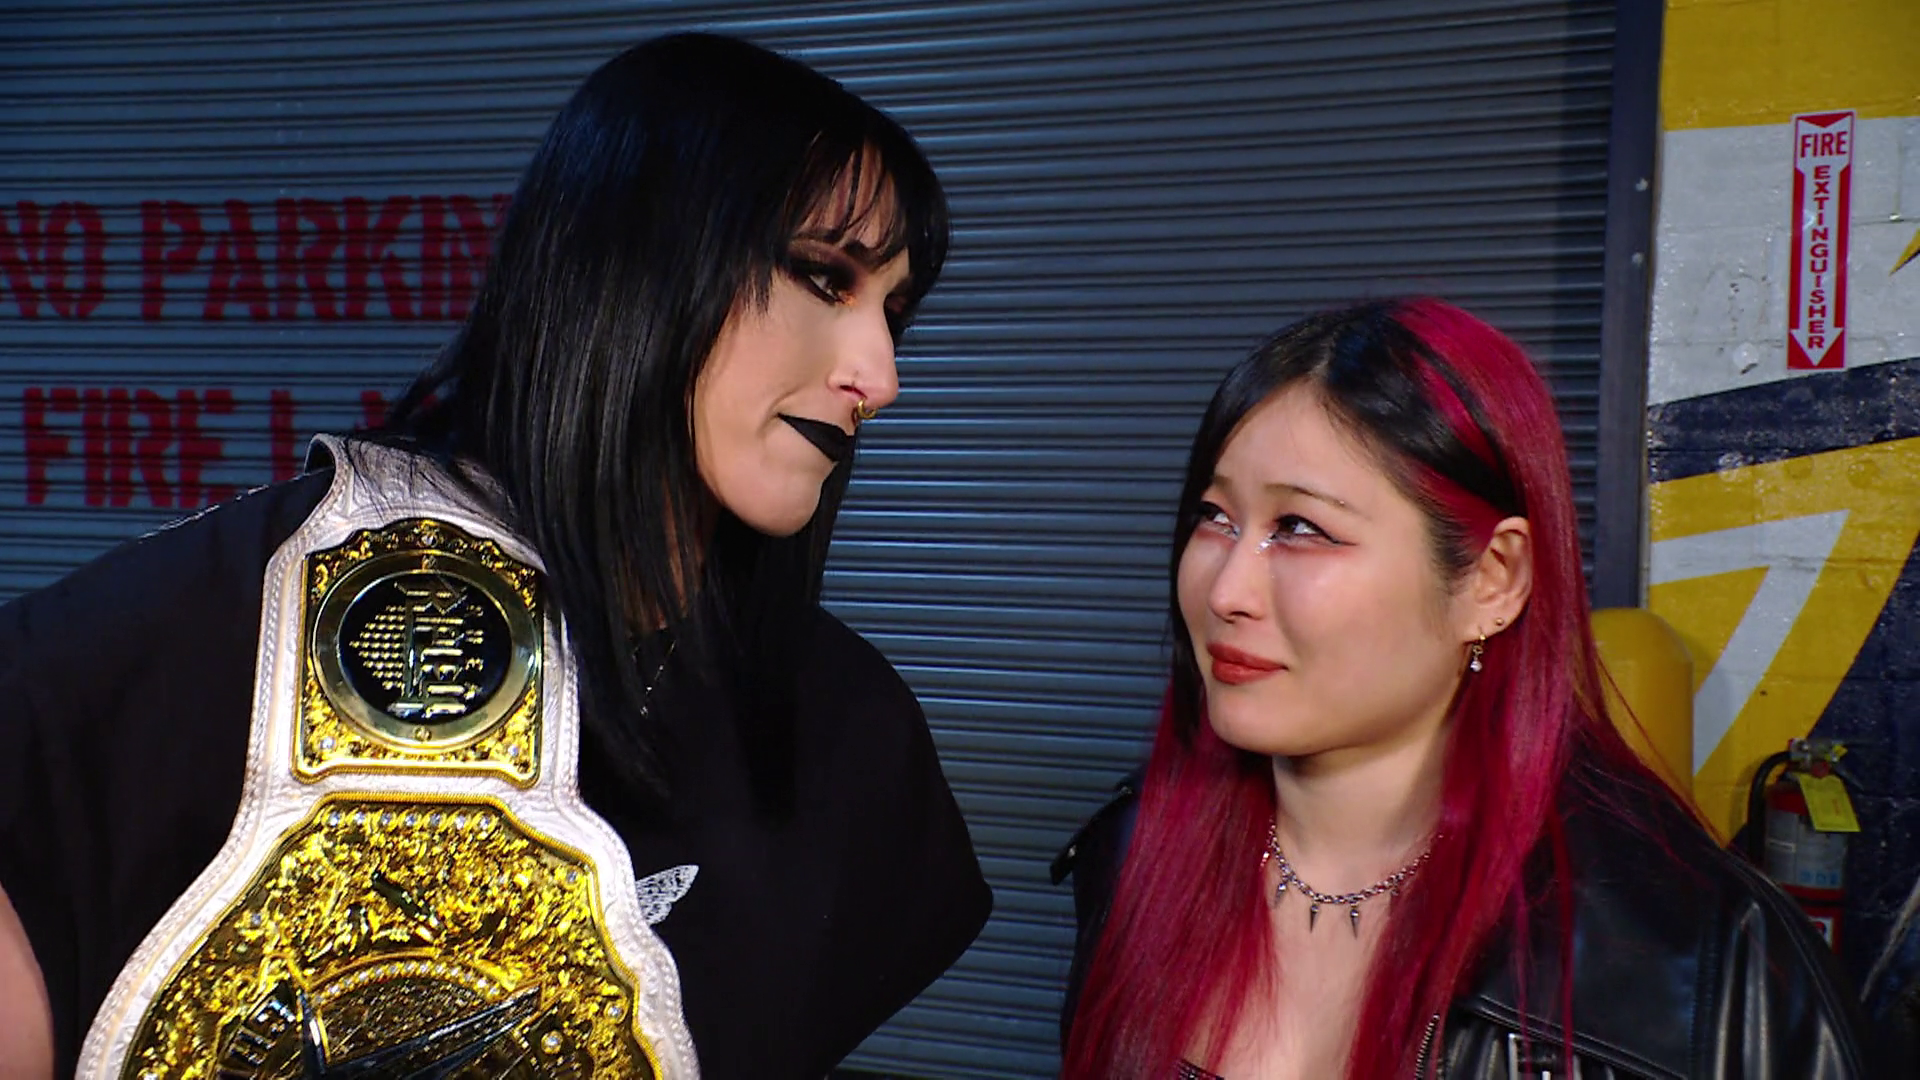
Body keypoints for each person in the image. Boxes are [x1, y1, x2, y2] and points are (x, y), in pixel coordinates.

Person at [0, 32, 990, 1079]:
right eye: (825, 277)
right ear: (638, 258)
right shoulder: (241, 624)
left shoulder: (849, 733)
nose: (880, 375)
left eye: (894, 312)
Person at [1055, 299, 1870, 1078]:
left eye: (1300, 529)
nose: (1227, 590)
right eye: (1215, 518)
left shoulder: (1711, 968)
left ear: (1492, 579)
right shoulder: (1133, 860)